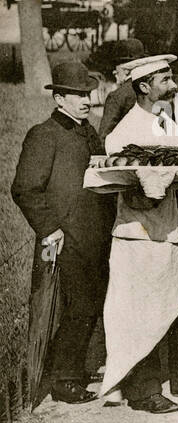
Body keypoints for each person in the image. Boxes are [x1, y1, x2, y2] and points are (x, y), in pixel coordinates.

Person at [100, 54, 178, 413]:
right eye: (166, 80)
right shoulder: (126, 131)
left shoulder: (163, 122)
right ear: (144, 87)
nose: (174, 86)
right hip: (144, 234)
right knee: (146, 311)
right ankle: (143, 391)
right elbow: (125, 181)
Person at [9, 62, 114, 404]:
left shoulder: (88, 131)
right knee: (74, 308)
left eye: (87, 93)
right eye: (77, 94)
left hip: (94, 237)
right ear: (58, 98)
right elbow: (25, 188)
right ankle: (64, 381)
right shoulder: (44, 134)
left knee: (90, 305)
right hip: (64, 239)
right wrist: (50, 229)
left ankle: (79, 367)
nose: (86, 100)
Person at [96, 38, 146, 139]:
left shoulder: (117, 96)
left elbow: (104, 138)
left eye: (116, 66)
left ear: (127, 69)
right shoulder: (155, 89)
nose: (114, 72)